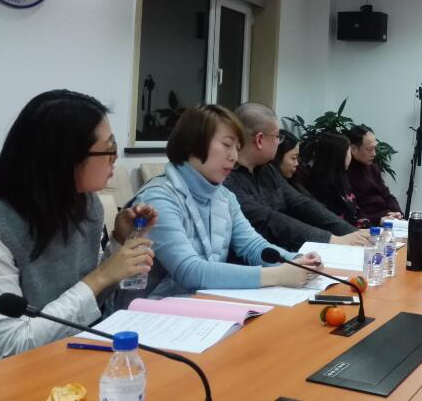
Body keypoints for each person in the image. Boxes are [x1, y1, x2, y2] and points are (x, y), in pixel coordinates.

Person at [0, 90, 156, 359]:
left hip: (76, 352)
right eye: (109, 149)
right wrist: (101, 276)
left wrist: (119, 241)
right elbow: (11, 345)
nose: (115, 158)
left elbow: (93, 302)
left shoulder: (87, 205)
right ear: (65, 158)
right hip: (24, 371)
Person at [129, 104, 322, 301]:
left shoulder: (225, 197)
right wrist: (277, 275)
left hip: (206, 303)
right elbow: (189, 271)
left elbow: (253, 246)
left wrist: (297, 261)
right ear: (194, 143)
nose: (234, 156)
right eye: (227, 145)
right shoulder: (158, 198)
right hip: (154, 309)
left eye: (237, 148)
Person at [223, 103, 368, 252]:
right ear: (260, 140)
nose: (279, 142)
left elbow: (301, 203)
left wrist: (353, 234)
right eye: (278, 137)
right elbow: (268, 220)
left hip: (288, 254)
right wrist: (331, 240)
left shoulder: (267, 170)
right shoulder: (227, 179)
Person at [308, 133, 370, 227]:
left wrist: (367, 225)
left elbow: (356, 210)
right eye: (348, 152)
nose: (350, 156)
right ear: (338, 156)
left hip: (357, 230)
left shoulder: (342, 178)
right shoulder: (320, 186)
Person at [346, 125, 403, 223]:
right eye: (369, 149)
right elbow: (353, 213)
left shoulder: (372, 168)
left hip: (388, 218)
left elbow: (387, 195)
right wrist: (379, 220)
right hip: (370, 224)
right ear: (353, 149)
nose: (374, 154)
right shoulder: (345, 172)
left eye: (375, 148)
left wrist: (397, 212)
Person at [272, 129, 314, 199]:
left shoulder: (295, 181)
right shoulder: (270, 191)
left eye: (297, 158)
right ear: (276, 157)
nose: (297, 164)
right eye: (293, 158)